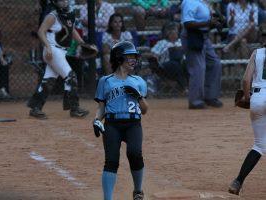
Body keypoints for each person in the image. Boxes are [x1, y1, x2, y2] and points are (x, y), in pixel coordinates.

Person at [93, 41, 148, 200]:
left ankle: (138, 190)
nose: (134, 60)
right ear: (119, 58)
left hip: (133, 124)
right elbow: (101, 107)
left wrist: (138, 97)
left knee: (134, 153)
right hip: (112, 124)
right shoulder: (106, 81)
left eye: (134, 57)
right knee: (111, 160)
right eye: (130, 56)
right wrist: (97, 120)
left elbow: (144, 110)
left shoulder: (138, 81)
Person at [27, 0, 89, 119]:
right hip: (52, 51)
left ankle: (36, 108)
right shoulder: (52, 15)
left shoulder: (69, 12)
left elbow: (72, 30)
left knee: (48, 80)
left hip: (61, 51)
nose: (64, 1)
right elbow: (41, 31)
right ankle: (74, 108)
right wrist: (47, 46)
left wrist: (82, 43)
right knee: (70, 76)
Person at [228, 46, 266, 195]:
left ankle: (237, 182)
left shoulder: (257, 52)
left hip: (257, 98)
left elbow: (246, 80)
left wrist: (249, 98)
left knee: (259, 145)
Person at [181, 0, 223, 109]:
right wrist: (209, 23)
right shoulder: (190, 2)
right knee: (198, 68)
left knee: (215, 63)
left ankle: (210, 96)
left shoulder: (202, 2)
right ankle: (195, 101)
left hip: (204, 36)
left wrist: (216, 22)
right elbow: (188, 23)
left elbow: (206, 18)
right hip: (193, 36)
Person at [149, 22, 188, 92]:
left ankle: (189, 87)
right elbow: (153, 55)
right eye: (170, 30)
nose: (172, 32)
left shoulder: (182, 42)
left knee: (186, 63)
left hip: (182, 65)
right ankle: (184, 87)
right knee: (174, 64)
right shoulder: (161, 43)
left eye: (174, 29)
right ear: (165, 32)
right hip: (165, 68)